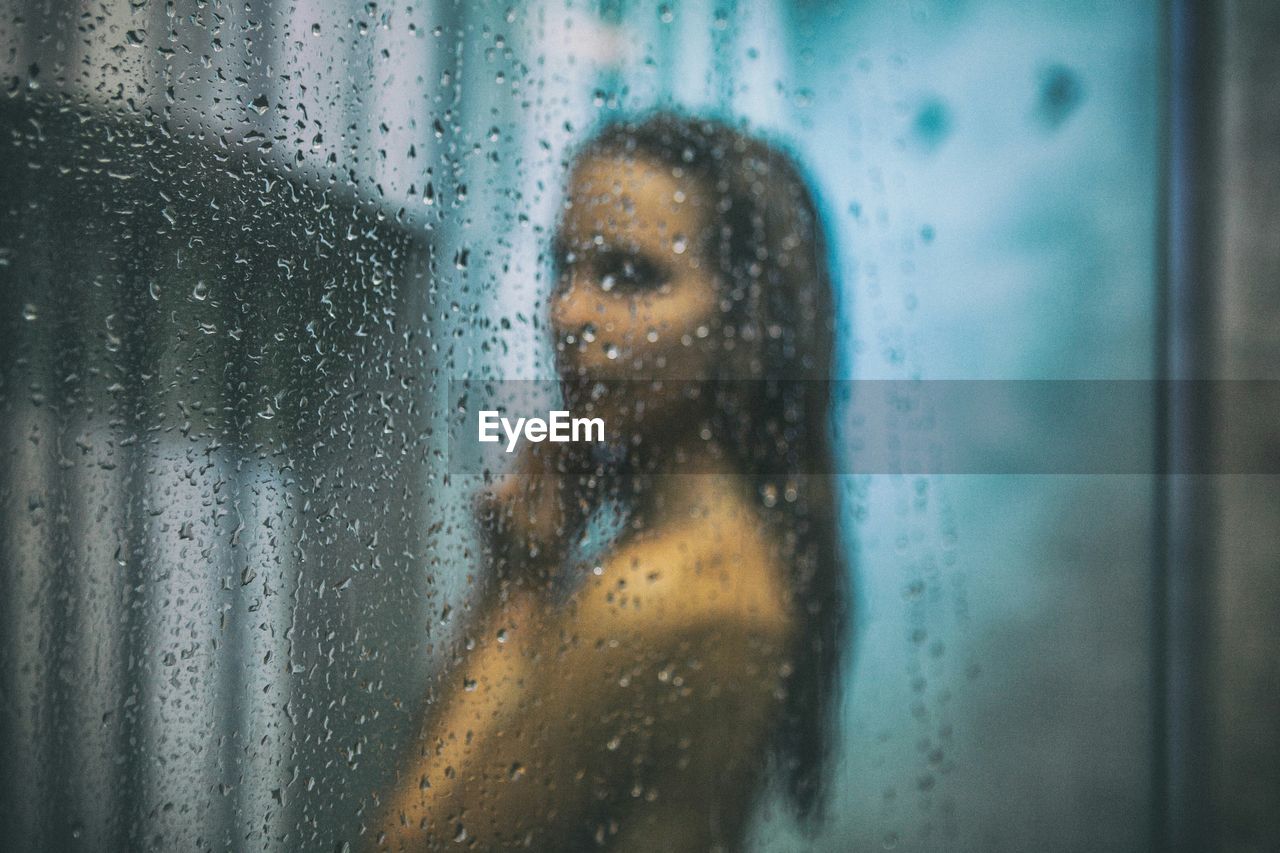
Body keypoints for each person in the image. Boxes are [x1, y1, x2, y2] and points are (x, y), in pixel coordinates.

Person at [373, 112, 846, 851]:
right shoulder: (725, 554)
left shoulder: (664, 592)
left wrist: (521, 585)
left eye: (630, 275)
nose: (569, 313)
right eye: (565, 265)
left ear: (745, 322)